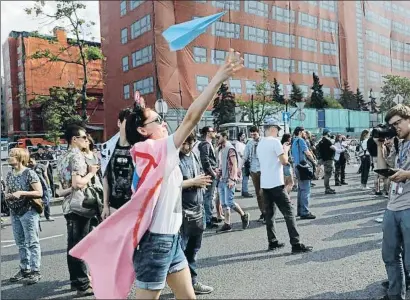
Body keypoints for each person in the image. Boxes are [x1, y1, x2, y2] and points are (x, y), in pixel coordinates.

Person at [121, 49, 243, 299]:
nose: (164, 123)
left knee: (187, 297)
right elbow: (190, 119)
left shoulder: (152, 152)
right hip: (156, 241)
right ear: (144, 131)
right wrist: (218, 78)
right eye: (158, 120)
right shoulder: (154, 149)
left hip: (170, 237)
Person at [257, 119, 313, 253]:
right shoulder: (275, 142)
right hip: (276, 183)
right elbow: (284, 161)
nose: (278, 132)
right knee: (289, 213)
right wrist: (286, 149)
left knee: (270, 215)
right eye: (277, 129)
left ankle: (272, 242)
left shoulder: (260, 144)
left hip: (265, 184)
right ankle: (296, 243)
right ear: (272, 129)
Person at [57, 125, 100, 296]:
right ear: (74, 139)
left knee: (73, 245)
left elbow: (59, 190)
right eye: (83, 137)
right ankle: (82, 284)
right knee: (80, 245)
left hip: (69, 205)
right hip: (81, 205)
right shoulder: (76, 156)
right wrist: (91, 173)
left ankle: (76, 281)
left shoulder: (62, 157)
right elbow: (78, 183)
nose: (86, 140)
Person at [376, 104, 410, 300]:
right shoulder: (398, 143)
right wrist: (380, 146)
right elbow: (382, 170)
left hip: (408, 207)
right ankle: (395, 294)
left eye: (398, 123)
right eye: (392, 125)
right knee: (389, 256)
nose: (395, 128)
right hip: (392, 206)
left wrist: (407, 174)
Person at [179, 132, 214, 294]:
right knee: (178, 252)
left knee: (193, 249)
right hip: (180, 211)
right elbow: (169, 184)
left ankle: (192, 283)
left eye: (190, 143)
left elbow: (199, 174)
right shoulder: (173, 158)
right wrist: (193, 182)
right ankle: (178, 286)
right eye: (184, 143)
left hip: (197, 208)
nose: (187, 147)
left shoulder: (193, 155)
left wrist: (201, 183)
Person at [5, 148, 43, 285]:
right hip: (14, 211)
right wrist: (7, 195)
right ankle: (24, 269)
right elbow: (8, 191)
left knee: (32, 241)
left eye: (11, 155)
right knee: (20, 242)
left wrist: (21, 192)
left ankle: (35, 270)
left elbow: (39, 192)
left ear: (20, 157)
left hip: (28, 211)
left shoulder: (29, 173)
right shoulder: (9, 174)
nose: (9, 157)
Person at [100, 108, 134, 219]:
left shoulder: (139, 148)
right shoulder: (107, 148)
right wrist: (105, 205)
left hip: (134, 205)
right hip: (114, 205)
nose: (130, 126)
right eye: (127, 122)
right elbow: (105, 178)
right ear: (119, 123)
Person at [216, 131, 250, 233]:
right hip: (222, 178)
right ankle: (227, 224)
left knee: (229, 202)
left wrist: (232, 178)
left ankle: (244, 215)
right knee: (224, 203)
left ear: (225, 137)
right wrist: (219, 171)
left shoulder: (230, 149)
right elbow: (222, 164)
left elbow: (234, 164)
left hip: (229, 179)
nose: (217, 138)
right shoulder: (221, 149)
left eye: (219, 136)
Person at [198, 126, 222, 228]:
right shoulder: (205, 144)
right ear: (208, 133)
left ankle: (209, 216)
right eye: (213, 131)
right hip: (209, 174)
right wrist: (213, 173)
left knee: (209, 196)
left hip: (210, 173)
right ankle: (207, 219)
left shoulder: (208, 144)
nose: (215, 133)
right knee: (209, 196)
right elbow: (205, 161)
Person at [291, 127, 317, 219]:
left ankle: (300, 211)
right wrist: (314, 162)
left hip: (297, 166)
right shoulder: (301, 140)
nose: (305, 134)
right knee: (306, 190)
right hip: (303, 167)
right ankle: (305, 212)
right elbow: (307, 153)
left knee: (301, 189)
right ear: (300, 132)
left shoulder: (293, 141)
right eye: (304, 132)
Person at [244, 126, 264, 223]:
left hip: (263, 170)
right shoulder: (249, 143)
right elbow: (245, 156)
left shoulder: (264, 142)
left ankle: (268, 212)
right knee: (258, 193)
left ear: (258, 132)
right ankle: (263, 212)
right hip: (254, 170)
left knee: (263, 192)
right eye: (251, 134)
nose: (253, 136)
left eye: (254, 134)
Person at [28, 156, 54, 221]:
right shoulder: (28, 168)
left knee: (46, 201)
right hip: (34, 187)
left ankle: (47, 216)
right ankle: (38, 216)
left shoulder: (41, 166)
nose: (30, 163)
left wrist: (48, 186)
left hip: (43, 186)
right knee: (36, 202)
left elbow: (46, 176)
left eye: (31, 161)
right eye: (28, 162)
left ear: (34, 159)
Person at [317, 128, 336, 194]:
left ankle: (327, 188)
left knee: (327, 174)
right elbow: (332, 148)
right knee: (327, 174)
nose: (330, 134)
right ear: (327, 133)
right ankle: (327, 189)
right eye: (329, 133)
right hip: (329, 159)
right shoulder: (328, 141)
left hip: (324, 159)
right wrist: (336, 148)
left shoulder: (321, 141)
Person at [236, 132, 252, 197]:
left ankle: (244, 191)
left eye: (244, 135)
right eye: (243, 135)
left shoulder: (243, 144)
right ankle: (245, 191)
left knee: (246, 177)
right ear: (240, 136)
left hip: (245, 163)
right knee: (245, 177)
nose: (244, 137)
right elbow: (240, 153)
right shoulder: (238, 144)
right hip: (242, 163)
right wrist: (245, 159)